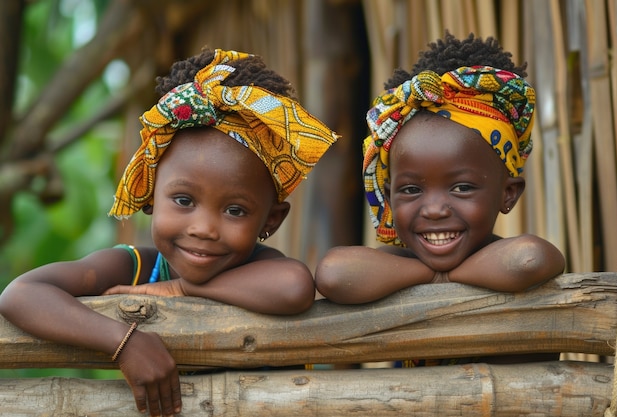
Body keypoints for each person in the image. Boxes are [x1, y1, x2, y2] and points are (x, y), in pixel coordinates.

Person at [0, 48, 338, 417]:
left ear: (271, 221)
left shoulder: (260, 268)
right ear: (147, 193)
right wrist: (124, 343)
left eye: (235, 210)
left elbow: (295, 287)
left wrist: (181, 288)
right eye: (183, 200)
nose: (204, 228)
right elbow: (22, 294)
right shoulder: (134, 267)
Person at [315, 32, 565, 305]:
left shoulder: (504, 253)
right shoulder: (391, 262)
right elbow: (333, 273)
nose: (434, 209)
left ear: (508, 193)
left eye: (461, 188)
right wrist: (437, 276)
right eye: (411, 189)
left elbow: (529, 259)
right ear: (389, 198)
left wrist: (440, 276)